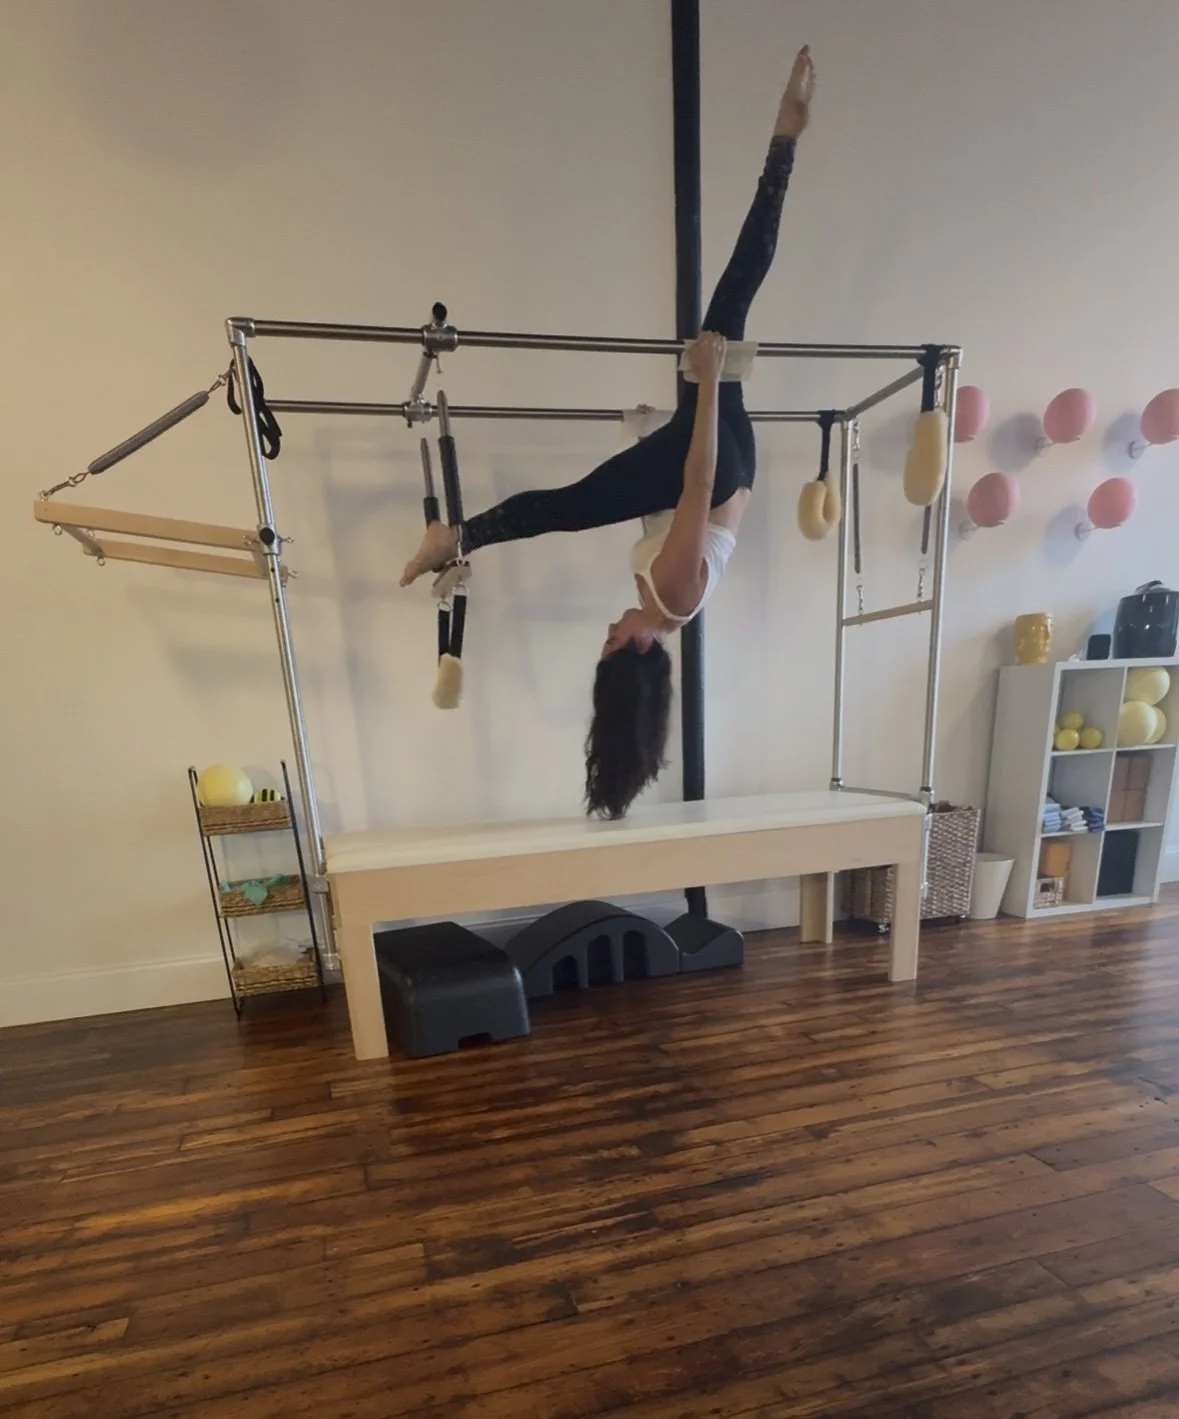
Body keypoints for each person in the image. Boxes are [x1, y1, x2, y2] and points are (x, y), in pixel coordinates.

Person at [402, 46, 816, 819]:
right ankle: (783, 142)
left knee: (572, 502)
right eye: (606, 642)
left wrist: (649, 434)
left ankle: (455, 538)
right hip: (719, 462)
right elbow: (696, 486)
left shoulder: (653, 597)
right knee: (724, 313)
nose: (604, 629)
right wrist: (700, 384)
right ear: (632, 651)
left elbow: (660, 503)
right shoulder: (674, 591)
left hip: (706, 464)